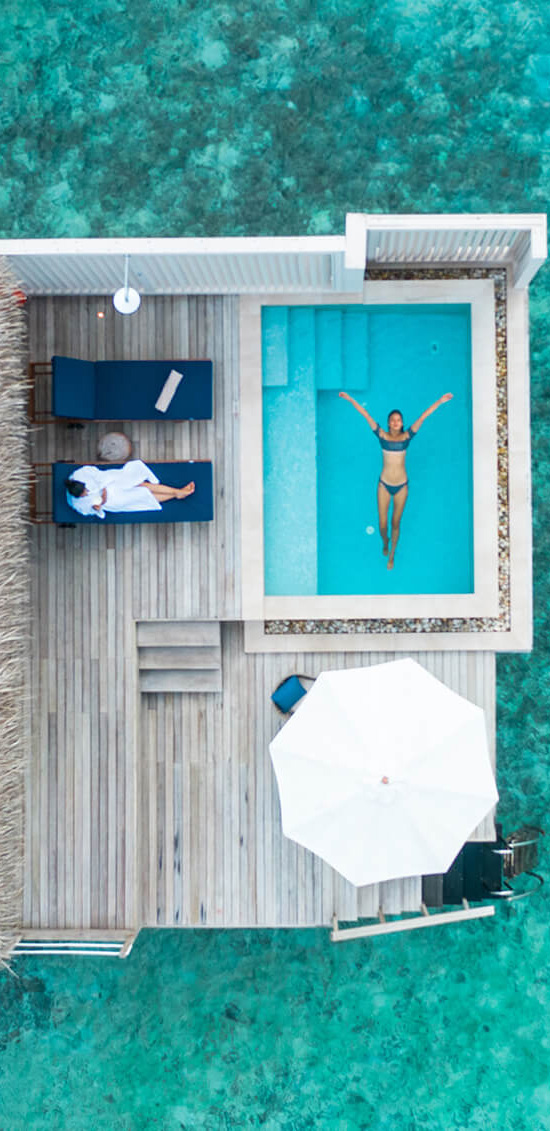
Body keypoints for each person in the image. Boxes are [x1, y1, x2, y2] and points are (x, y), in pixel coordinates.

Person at [339, 391, 454, 569]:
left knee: (395, 523)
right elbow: (365, 415)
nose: (395, 422)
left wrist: (440, 401)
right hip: (384, 485)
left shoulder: (407, 437)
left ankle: (391, 554)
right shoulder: (382, 436)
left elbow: (424, 416)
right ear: (388, 423)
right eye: (392, 419)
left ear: (402, 423)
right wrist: (350, 399)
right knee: (383, 525)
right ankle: (385, 542)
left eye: (398, 419)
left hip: (401, 486)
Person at [64, 459, 195, 519]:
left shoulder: (81, 474)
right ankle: (177, 493)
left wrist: (103, 488)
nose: (86, 493)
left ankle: (177, 492)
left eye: (85, 490)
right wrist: (97, 507)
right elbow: (93, 511)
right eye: (84, 494)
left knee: (141, 484)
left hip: (108, 483)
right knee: (141, 495)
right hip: (111, 500)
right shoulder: (78, 505)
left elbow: (98, 474)